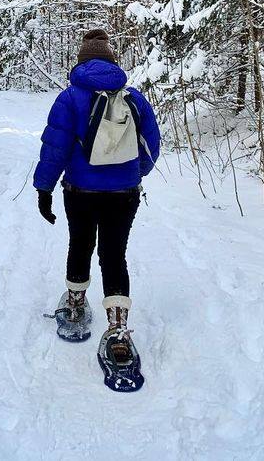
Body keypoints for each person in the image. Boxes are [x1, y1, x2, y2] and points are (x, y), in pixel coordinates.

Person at [33, 28, 161, 351]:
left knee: (81, 244)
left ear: (81, 61)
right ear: (112, 62)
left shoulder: (69, 98)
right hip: (125, 195)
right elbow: (151, 147)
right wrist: (133, 175)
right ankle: (118, 328)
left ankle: (75, 304)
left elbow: (55, 149)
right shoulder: (134, 99)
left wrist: (44, 189)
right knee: (114, 254)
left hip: (80, 193)